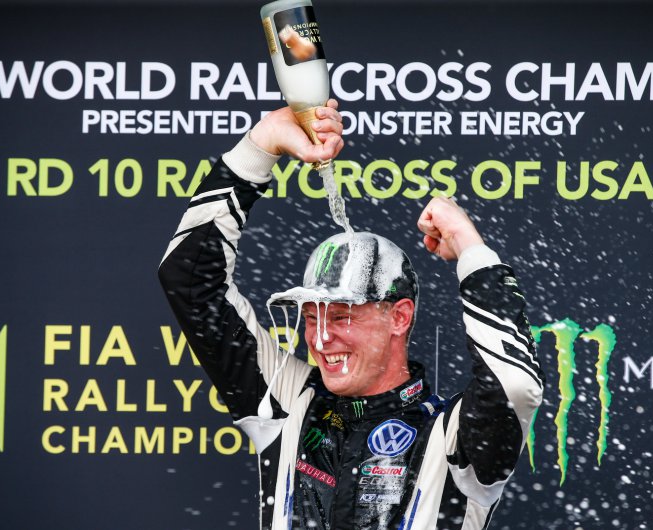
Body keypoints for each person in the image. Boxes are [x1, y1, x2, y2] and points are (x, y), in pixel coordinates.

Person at [158, 99, 544, 530]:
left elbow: (515, 385)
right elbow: (188, 281)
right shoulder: (289, 399)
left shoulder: (451, 434)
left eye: (342, 317)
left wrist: (469, 247)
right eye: (311, 318)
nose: (320, 340)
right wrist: (260, 144)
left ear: (399, 317)